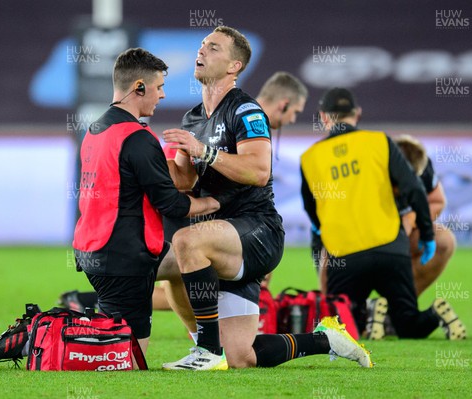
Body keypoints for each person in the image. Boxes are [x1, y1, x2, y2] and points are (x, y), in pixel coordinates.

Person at [0, 48, 220, 368]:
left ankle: (206, 344)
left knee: (182, 263)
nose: (162, 94)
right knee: (127, 359)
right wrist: (214, 202)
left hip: (94, 248)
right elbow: (170, 204)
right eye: (159, 87)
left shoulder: (95, 129)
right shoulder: (138, 138)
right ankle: (33, 334)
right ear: (139, 87)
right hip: (124, 256)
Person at [158, 26, 371, 370]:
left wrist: (204, 151)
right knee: (243, 356)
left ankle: (206, 351)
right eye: (202, 46)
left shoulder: (246, 111)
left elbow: (258, 171)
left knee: (184, 242)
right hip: (221, 238)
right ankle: (325, 339)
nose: (202, 52)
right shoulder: (193, 117)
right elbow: (184, 179)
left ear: (234, 66)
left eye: (213, 48)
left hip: (258, 231)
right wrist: (144, 162)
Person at [57, 71, 308, 309]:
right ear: (283, 105)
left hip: (189, 206)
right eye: (295, 112)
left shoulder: (233, 114)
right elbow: (182, 171)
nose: (293, 120)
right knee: (184, 273)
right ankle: (99, 301)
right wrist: (212, 203)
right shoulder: (240, 119)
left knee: (183, 274)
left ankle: (203, 336)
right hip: (177, 203)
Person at [300, 87, 466, 341]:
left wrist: (324, 230)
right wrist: (426, 233)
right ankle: (431, 314)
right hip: (392, 250)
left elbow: (312, 210)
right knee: (409, 326)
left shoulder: (310, 158)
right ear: (357, 114)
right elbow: (415, 189)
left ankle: (363, 315)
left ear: (323, 117)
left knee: (343, 329)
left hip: (345, 256)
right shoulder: (380, 142)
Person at [393, 134, 456, 297]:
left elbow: (437, 201)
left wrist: (413, 219)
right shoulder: (365, 169)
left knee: (443, 241)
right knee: (333, 249)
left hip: (400, 235)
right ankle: (335, 308)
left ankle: (398, 306)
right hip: (362, 239)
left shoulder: (422, 166)